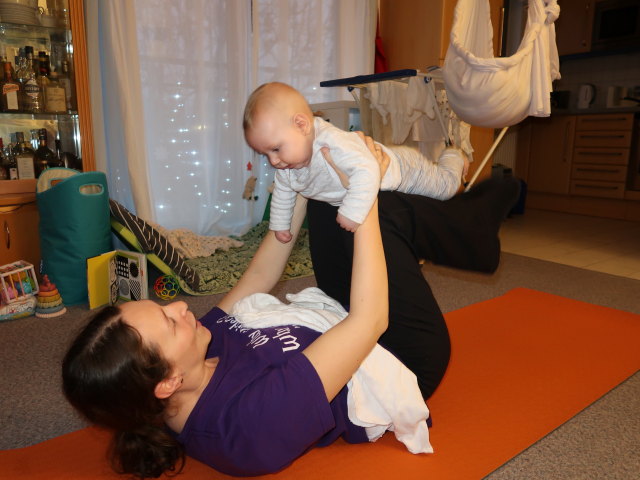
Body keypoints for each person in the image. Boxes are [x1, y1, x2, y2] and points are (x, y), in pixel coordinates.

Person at [63, 134, 520, 478]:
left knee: (327, 202)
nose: (182, 307)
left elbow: (260, 277)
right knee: (380, 208)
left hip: (336, 321)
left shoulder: (192, 357)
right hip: (393, 353)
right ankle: (479, 219)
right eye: (169, 321)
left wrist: (296, 180)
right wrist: (362, 189)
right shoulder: (250, 421)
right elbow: (371, 320)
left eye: (166, 307)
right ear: (167, 383)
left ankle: (475, 221)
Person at [243, 81, 470, 243]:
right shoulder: (288, 165)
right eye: (265, 154)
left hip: (402, 170)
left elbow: (368, 171)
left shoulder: (333, 142)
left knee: (445, 188)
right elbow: (283, 194)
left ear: (302, 125)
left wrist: (352, 212)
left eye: (275, 149)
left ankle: (453, 155)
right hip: (384, 175)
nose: (274, 161)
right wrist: (280, 226)